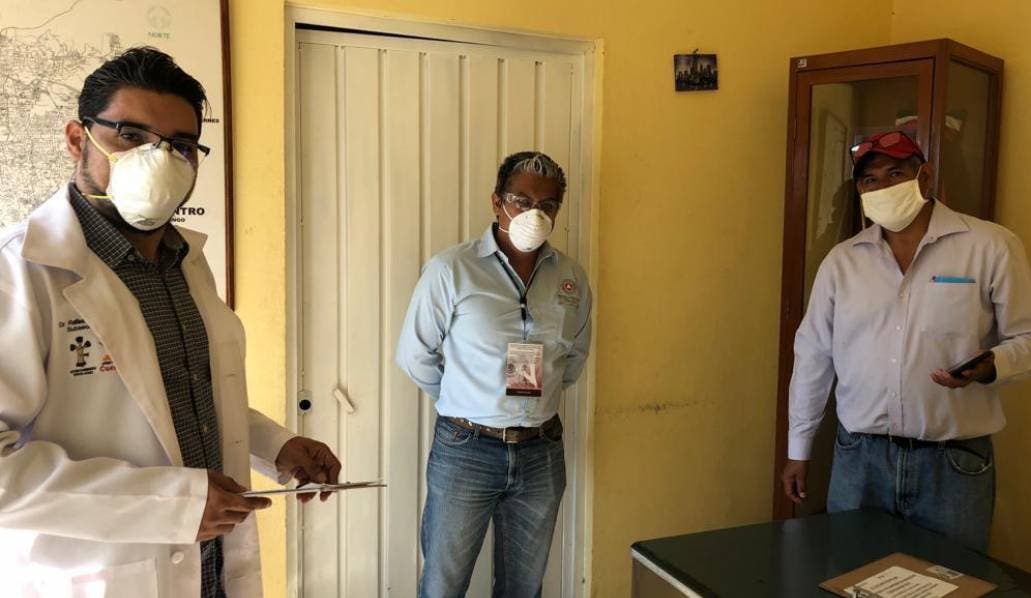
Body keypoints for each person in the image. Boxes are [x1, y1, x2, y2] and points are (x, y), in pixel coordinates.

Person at [0, 47, 341, 598]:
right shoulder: (20, 272)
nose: (158, 161)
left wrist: (276, 446)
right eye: (130, 136)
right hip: (99, 577)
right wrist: (167, 504)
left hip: (210, 570)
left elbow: (183, 394)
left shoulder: (185, 261)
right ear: (77, 139)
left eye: (180, 146)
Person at [781, 130, 1031, 551]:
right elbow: (813, 356)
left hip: (953, 463)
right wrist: (798, 448)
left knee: (952, 577)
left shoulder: (990, 246)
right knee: (853, 574)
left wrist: (991, 366)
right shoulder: (842, 262)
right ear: (860, 190)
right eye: (870, 180)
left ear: (924, 177)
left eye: (895, 174)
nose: (882, 187)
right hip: (860, 459)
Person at [396, 151, 592, 597]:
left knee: (524, 588)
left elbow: (574, 356)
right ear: (496, 202)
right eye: (522, 200)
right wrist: (465, 398)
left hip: (541, 451)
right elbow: (415, 354)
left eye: (547, 205)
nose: (534, 214)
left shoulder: (571, 278)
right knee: (443, 586)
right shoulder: (451, 270)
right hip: (466, 449)